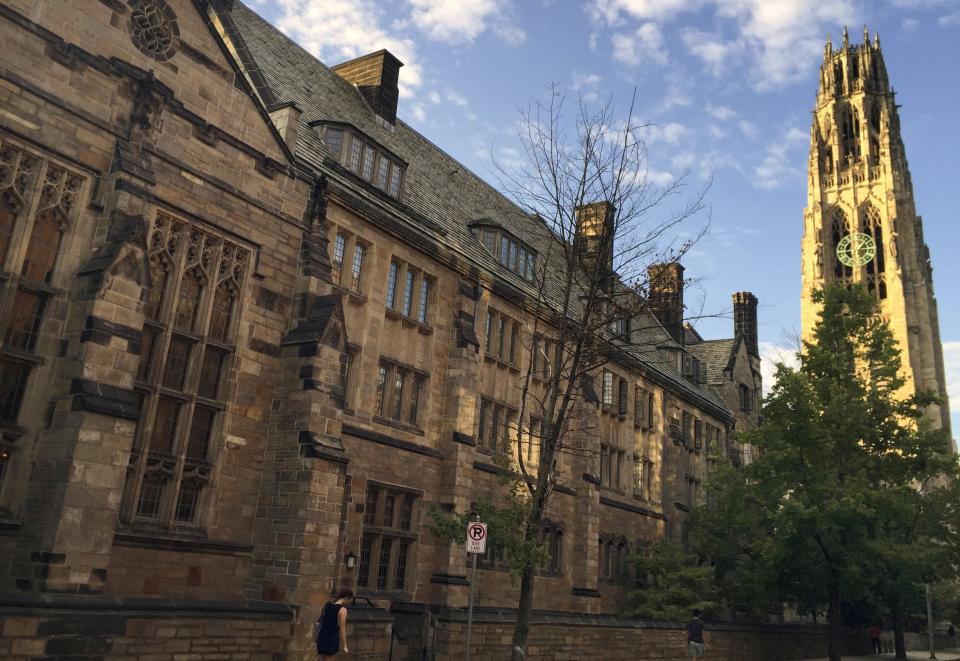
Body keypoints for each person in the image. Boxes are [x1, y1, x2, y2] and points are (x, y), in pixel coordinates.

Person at [315, 587, 353, 659]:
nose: (349, 602)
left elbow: (322, 620)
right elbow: (342, 629)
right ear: (347, 597)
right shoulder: (343, 610)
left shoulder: (327, 605)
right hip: (331, 639)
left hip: (322, 637)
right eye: (349, 600)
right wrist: (345, 645)